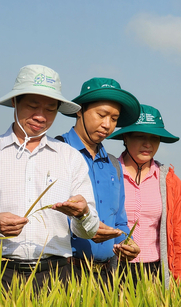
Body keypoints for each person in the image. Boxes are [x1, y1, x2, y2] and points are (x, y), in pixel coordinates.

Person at [0, 65, 100, 294]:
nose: (41, 116)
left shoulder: (70, 157)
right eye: (33, 106)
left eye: (50, 109)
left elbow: (89, 231)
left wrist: (83, 213)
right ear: (15, 102)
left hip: (56, 277)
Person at [57, 77, 142, 284]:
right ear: (79, 110)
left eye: (114, 118)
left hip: (108, 274)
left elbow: (119, 220)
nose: (107, 125)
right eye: (101, 115)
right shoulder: (56, 153)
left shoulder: (113, 164)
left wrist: (127, 244)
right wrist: (86, 227)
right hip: (66, 272)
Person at [106, 104, 181, 287]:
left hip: (155, 272)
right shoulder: (107, 173)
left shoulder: (170, 181)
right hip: (112, 270)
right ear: (125, 137)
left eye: (154, 138)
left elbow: (180, 237)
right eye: (140, 136)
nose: (148, 144)